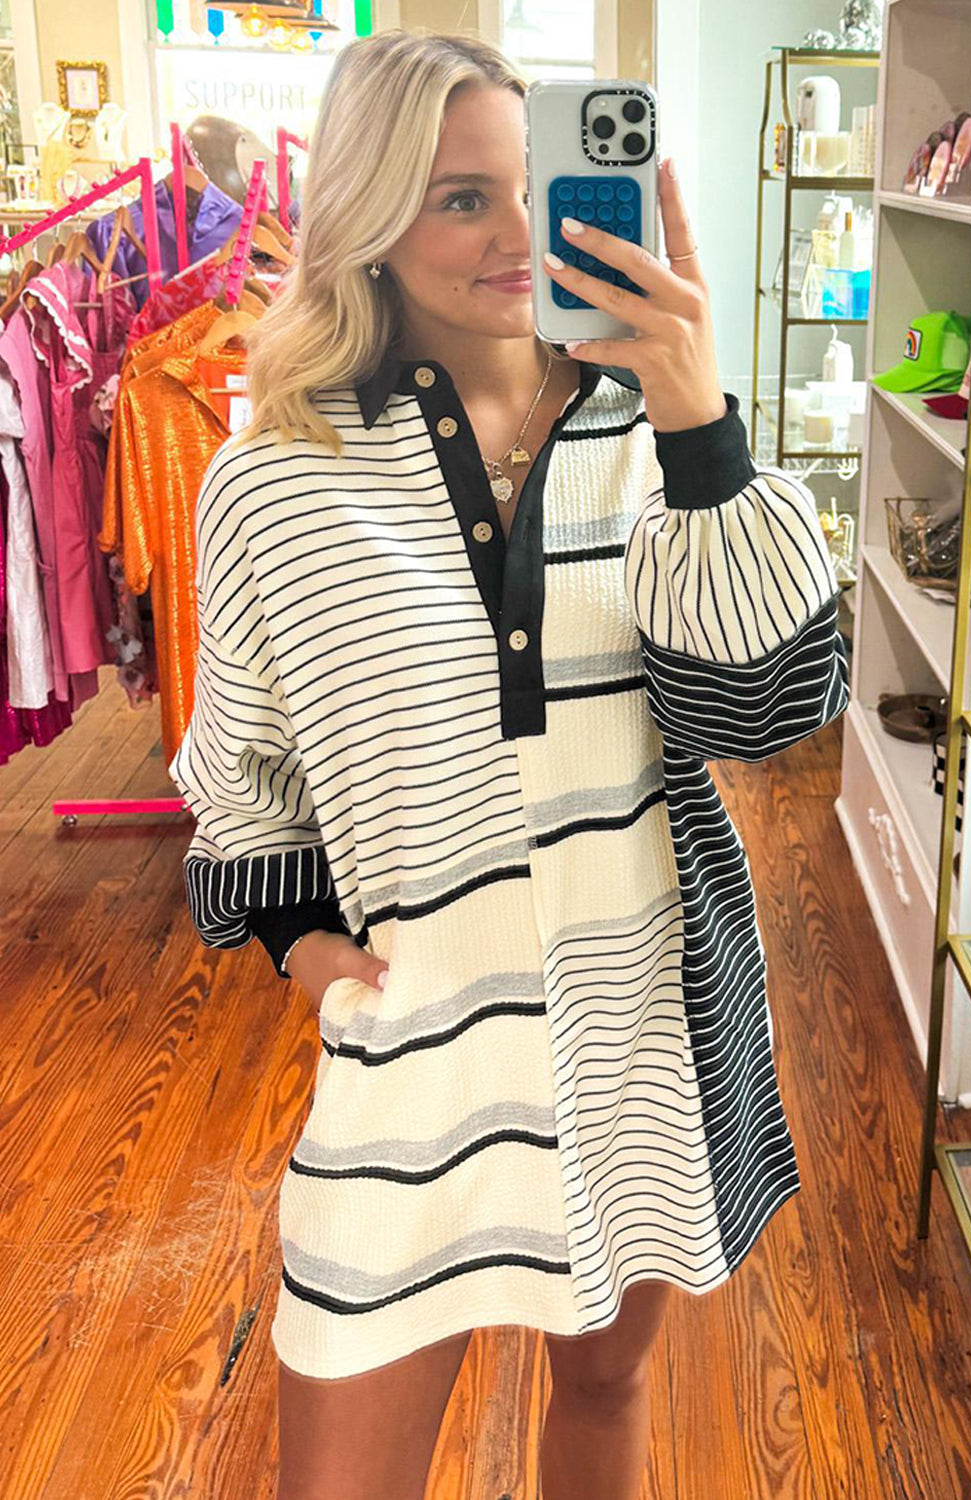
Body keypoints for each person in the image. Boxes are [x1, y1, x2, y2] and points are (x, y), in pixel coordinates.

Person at [168, 28, 849, 1500]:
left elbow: (766, 706)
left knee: (606, 1387)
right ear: (366, 215)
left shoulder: (660, 438)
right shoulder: (274, 476)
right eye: (458, 198)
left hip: (635, 1028)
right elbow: (245, 760)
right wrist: (295, 940)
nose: (514, 235)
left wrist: (697, 415)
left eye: (534, 187)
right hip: (414, 1045)